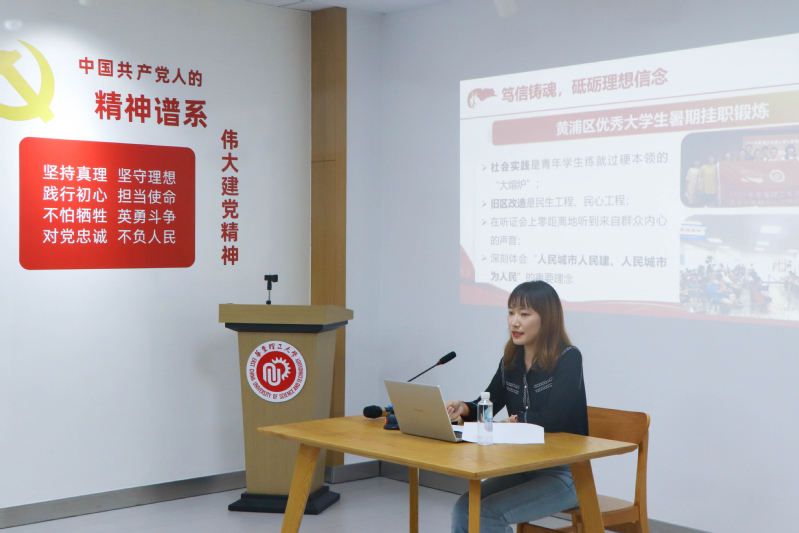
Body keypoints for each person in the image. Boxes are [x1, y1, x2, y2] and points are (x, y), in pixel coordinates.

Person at [446, 281, 587, 533]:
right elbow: (488, 404)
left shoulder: (568, 357)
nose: (514, 322)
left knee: (487, 514)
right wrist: (464, 408)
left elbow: (554, 417)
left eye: (524, 314)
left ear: (547, 318)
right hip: (524, 468)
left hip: (565, 474)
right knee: (463, 509)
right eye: (511, 312)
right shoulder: (511, 359)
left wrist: (517, 421)